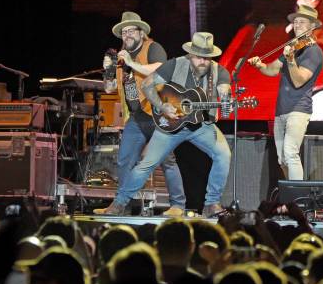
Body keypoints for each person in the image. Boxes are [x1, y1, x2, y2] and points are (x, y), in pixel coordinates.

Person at [99, 32, 232, 218]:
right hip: (170, 123)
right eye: (199, 57)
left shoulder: (219, 71)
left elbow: (224, 92)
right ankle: (119, 204)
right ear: (191, 54)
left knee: (224, 153)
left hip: (200, 125)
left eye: (207, 58)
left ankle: (211, 204)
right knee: (146, 165)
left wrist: (225, 102)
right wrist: (162, 106)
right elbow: (147, 85)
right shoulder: (175, 64)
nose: (203, 61)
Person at [95, 11, 184, 216]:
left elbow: (159, 70)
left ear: (141, 32)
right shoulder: (121, 58)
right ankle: (120, 205)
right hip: (137, 117)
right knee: (125, 159)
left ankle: (178, 205)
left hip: (157, 112)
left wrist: (131, 63)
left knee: (167, 159)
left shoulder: (153, 48)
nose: (126, 35)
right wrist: (108, 71)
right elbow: (110, 88)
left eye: (130, 31)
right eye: (123, 32)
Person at [247, 4, 323, 180]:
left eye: (302, 22)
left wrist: (290, 60)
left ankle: (298, 200)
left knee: (290, 153)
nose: (297, 25)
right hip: (281, 110)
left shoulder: (313, 51)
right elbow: (272, 70)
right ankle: (291, 195)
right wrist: (260, 65)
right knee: (282, 159)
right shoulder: (293, 48)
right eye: (295, 22)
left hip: (298, 110)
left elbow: (298, 81)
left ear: (312, 27)